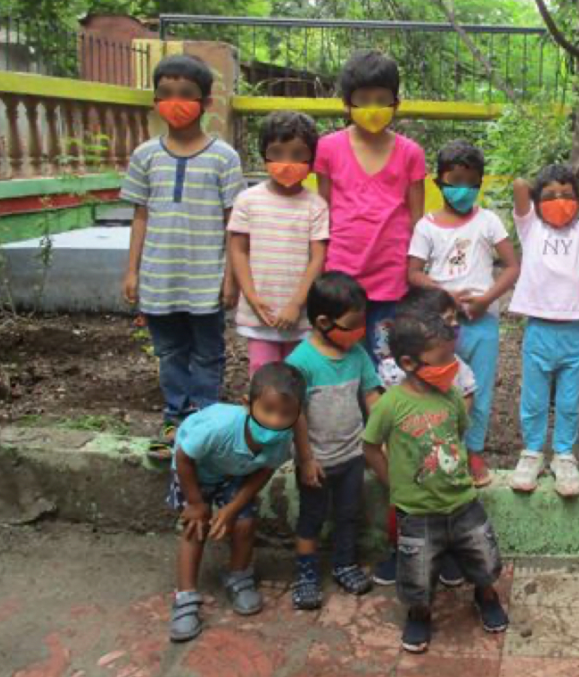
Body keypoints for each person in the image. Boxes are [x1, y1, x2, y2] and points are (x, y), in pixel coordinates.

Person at [121, 54, 245, 456]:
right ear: (156, 99)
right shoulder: (145, 155)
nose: (176, 101)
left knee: (209, 353)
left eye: (187, 94)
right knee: (170, 352)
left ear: (206, 102)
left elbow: (234, 223)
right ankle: (175, 418)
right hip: (159, 278)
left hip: (206, 278)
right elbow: (140, 217)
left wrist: (231, 278)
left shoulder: (224, 158)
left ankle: (204, 419)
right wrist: (132, 271)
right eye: (166, 94)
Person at [363, 315, 508, 654]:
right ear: (409, 363)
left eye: (452, 358)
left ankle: (485, 594)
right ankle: (419, 613)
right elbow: (370, 447)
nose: (451, 367)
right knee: (416, 570)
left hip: (463, 502)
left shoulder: (452, 397)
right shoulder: (390, 404)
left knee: (484, 557)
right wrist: (392, 484)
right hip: (415, 511)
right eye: (443, 361)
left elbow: (456, 435)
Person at [166, 361, 306, 642]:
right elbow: (184, 456)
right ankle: (185, 597)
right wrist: (196, 503)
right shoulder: (219, 428)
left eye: (286, 414)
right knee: (196, 527)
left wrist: (230, 509)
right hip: (195, 472)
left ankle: (239, 576)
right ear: (247, 404)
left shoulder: (281, 439)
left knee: (245, 523)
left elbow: (264, 471)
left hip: (237, 475)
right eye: (268, 410)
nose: (277, 421)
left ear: (298, 413)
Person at [407, 139, 520, 487]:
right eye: (454, 181)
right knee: (438, 381)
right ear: (439, 182)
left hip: (482, 321)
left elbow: (512, 266)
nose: (462, 190)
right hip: (440, 322)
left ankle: (474, 450)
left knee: (480, 388)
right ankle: (440, 446)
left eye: (471, 183)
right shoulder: (426, 226)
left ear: (480, 183)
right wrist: (446, 295)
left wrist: (486, 298)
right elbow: (413, 273)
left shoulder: (488, 221)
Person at [314, 49, 426, 366]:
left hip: (391, 274)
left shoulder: (410, 153)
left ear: (396, 103)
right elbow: (322, 211)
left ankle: (383, 415)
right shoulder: (328, 148)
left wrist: (413, 268)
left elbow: (417, 220)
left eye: (381, 99)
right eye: (363, 99)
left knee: (385, 358)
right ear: (347, 104)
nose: (372, 108)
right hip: (342, 273)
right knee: (342, 353)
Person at [286, 272, 382, 608]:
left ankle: (344, 564)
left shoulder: (357, 354)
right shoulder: (301, 362)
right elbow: (294, 414)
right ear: (324, 322)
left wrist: (386, 431)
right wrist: (307, 459)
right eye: (353, 324)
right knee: (311, 519)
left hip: (353, 455)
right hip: (317, 461)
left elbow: (372, 396)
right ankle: (307, 575)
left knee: (348, 514)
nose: (360, 331)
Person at [507, 165, 579, 497]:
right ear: (537, 201)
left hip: (576, 330)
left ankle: (564, 455)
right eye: (550, 196)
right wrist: (545, 193)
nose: (559, 202)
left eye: (567, 196)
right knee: (533, 398)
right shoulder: (530, 226)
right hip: (539, 328)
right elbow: (519, 184)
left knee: (568, 400)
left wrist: (576, 194)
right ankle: (531, 454)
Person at [372, 286, 475, 589]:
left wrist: (454, 429)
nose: (452, 325)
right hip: (405, 456)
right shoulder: (390, 371)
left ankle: (448, 554)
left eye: (453, 319)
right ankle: (401, 554)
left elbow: (467, 395)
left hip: (445, 455)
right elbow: (385, 409)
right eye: (444, 319)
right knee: (403, 512)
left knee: (451, 507)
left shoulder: (454, 365)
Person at [229, 111, 328, 376]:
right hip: (260, 311)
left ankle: (299, 419)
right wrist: (251, 297)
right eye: (277, 152)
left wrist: (297, 303)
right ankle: (261, 418)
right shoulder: (247, 200)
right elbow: (238, 249)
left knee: (299, 375)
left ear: (311, 158)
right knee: (262, 374)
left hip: (301, 314)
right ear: (264, 154)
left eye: (297, 154)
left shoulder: (316, 205)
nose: (287, 163)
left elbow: (318, 257)